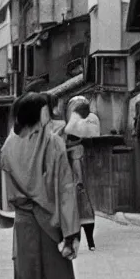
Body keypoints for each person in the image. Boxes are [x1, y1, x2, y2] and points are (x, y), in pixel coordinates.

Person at [0, 91, 87, 279]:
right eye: (48, 109)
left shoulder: (8, 146)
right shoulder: (52, 143)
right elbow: (65, 189)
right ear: (40, 113)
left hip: (23, 227)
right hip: (51, 228)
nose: (51, 113)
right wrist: (71, 232)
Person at [63, 96, 97, 251]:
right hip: (74, 186)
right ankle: (85, 242)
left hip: (76, 186)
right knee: (81, 212)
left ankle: (85, 241)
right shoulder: (68, 139)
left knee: (80, 212)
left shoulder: (76, 143)